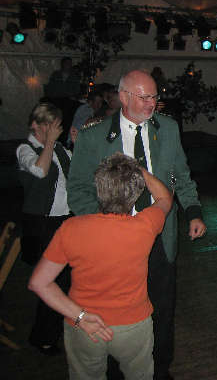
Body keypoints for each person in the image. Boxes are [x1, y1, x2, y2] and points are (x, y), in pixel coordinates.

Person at [67, 69, 206, 380]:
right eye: (144, 97)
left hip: (160, 235)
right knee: (117, 312)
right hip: (114, 243)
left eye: (154, 96)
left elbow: (181, 175)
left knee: (162, 309)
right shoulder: (94, 136)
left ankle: (160, 369)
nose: (151, 103)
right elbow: (77, 190)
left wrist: (193, 211)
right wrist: (104, 227)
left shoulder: (168, 128)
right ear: (123, 97)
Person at [28, 153, 173, 380]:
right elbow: (164, 198)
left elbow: (39, 283)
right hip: (133, 326)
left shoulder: (71, 228)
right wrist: (139, 171)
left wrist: (79, 316)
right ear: (136, 193)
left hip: (84, 327)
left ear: (98, 188)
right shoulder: (145, 225)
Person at [16, 103, 73, 355]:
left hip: (65, 221)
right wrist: (49, 143)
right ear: (35, 125)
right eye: (49, 125)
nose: (54, 131)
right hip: (41, 224)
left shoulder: (60, 149)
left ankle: (60, 329)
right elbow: (40, 170)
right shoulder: (25, 149)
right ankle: (42, 337)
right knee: (51, 282)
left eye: (56, 126)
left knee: (69, 279)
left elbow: (80, 172)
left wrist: (78, 144)